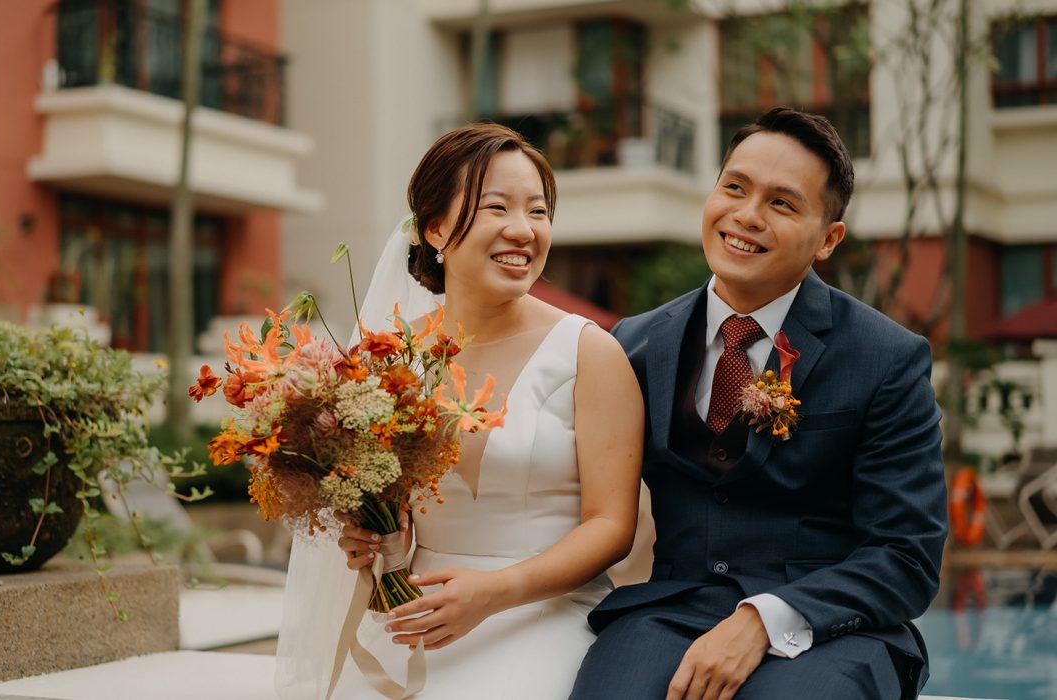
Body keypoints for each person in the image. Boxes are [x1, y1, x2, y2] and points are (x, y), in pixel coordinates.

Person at [570, 107, 949, 699]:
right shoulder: (632, 345)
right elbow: (573, 486)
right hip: (668, 613)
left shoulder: (887, 358)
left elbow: (907, 556)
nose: (746, 215)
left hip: (832, 631)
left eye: (782, 203)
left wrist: (763, 619)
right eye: (734, 187)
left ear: (828, 239)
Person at [275, 123, 644, 699]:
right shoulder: (390, 358)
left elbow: (612, 526)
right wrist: (372, 537)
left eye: (538, 211)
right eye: (497, 207)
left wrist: (494, 592)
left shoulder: (590, 352)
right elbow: (391, 506)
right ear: (436, 228)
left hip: (546, 611)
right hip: (418, 614)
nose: (523, 229)